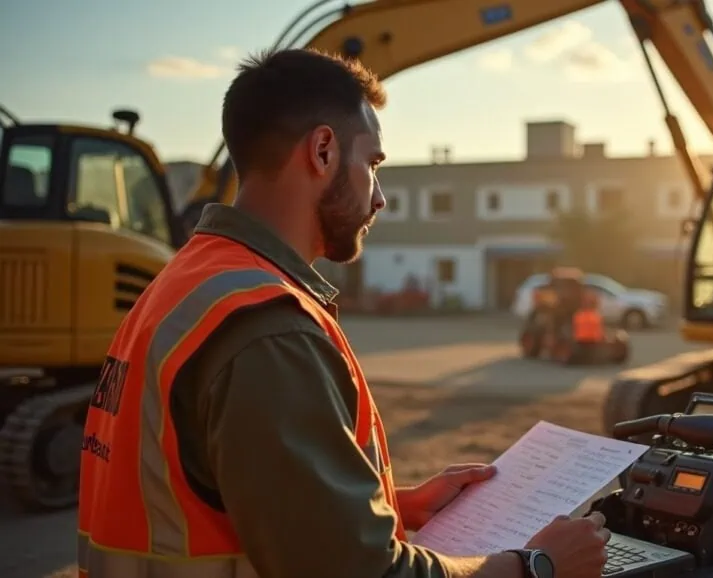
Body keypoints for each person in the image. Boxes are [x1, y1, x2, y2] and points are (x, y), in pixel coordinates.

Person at [77, 48, 610, 578]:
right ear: (324, 151)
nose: (379, 198)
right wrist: (537, 565)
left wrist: (394, 508)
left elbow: (230, 496)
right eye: (373, 164)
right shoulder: (267, 330)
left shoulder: (191, 284)